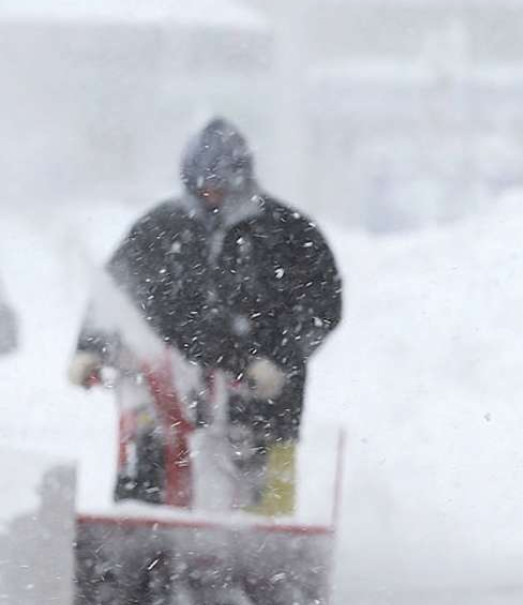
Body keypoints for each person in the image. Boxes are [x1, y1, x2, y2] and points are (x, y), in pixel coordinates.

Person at [69, 117, 342, 515]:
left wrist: (280, 361)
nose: (210, 195)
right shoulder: (159, 228)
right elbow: (115, 293)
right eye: (201, 186)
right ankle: (145, 547)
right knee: (150, 482)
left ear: (242, 179)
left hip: (264, 403)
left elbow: (322, 307)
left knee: (262, 511)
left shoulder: (289, 234)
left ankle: (263, 563)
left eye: (219, 185)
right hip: (172, 393)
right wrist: (91, 348)